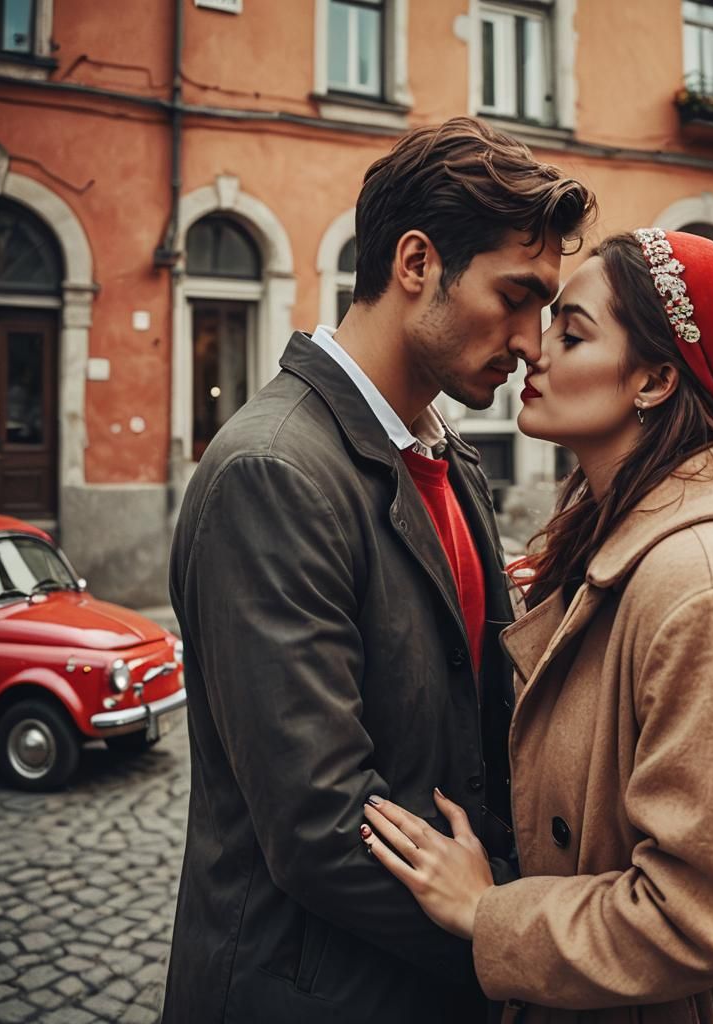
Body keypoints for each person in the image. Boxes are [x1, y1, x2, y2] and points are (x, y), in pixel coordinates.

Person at [161, 117, 595, 1024]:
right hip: (311, 995)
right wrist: (510, 937)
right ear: (415, 263)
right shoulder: (271, 472)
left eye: (547, 309)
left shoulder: (448, 456)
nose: (531, 343)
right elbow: (321, 824)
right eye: (516, 295)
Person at [361, 229, 713, 1023]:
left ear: (656, 379)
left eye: (573, 333)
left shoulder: (703, 587)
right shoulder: (618, 550)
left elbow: (698, 914)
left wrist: (489, 914)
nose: (534, 352)